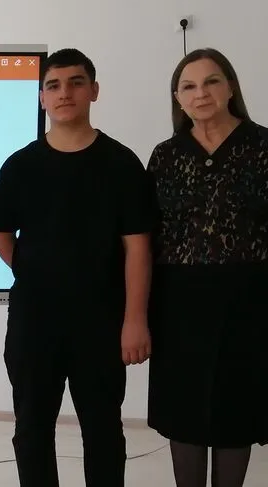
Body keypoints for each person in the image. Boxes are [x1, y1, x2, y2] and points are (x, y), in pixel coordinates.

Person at [0, 48, 155, 487]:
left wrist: (135, 320)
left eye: (76, 82)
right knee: (32, 429)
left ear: (93, 91)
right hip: (34, 321)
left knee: (103, 430)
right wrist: (35, 271)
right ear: (42, 97)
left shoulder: (121, 164)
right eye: (54, 85)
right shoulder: (21, 165)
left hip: (102, 321)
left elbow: (138, 247)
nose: (65, 93)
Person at [146, 48, 268, 487]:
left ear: (230, 86)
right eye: (189, 86)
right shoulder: (165, 156)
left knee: (237, 412)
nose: (201, 93)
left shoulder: (262, 146)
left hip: (250, 302)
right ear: (177, 98)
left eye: (212, 81)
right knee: (185, 415)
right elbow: (147, 236)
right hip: (178, 304)